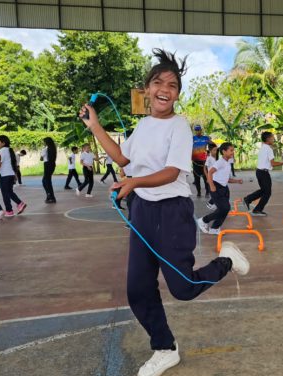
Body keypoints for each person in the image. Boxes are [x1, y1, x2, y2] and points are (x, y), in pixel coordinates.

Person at [79, 48, 250, 376]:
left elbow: (173, 171)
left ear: (177, 94)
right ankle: (165, 347)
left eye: (172, 85)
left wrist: (132, 182)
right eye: (158, 82)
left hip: (172, 211)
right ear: (146, 89)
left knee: (183, 287)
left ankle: (226, 259)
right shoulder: (142, 126)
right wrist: (95, 126)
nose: (164, 89)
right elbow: (123, 159)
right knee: (137, 290)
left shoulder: (180, 126)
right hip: (142, 211)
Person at [198, 142, 243, 234]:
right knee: (224, 208)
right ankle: (203, 220)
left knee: (224, 209)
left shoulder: (227, 162)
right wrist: (212, 186)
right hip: (216, 187)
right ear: (224, 151)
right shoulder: (220, 162)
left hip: (224, 188)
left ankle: (214, 228)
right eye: (231, 150)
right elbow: (210, 172)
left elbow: (226, 178)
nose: (232, 152)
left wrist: (237, 181)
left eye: (233, 150)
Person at [244, 131, 283, 216]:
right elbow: (273, 163)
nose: (274, 139)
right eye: (272, 137)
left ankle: (248, 199)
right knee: (267, 192)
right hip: (263, 173)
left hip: (259, 172)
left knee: (264, 190)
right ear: (268, 139)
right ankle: (257, 209)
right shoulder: (268, 149)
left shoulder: (263, 147)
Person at [0, 135, 26, 217]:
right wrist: (15, 175)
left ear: (3, 143)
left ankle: (10, 210)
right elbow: (13, 164)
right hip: (10, 174)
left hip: (5, 175)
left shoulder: (2, 151)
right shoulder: (9, 150)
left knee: (5, 193)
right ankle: (16, 206)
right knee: (9, 192)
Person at [191, 125, 211, 197]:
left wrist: (210, 152)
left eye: (198, 130)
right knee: (196, 178)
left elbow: (213, 145)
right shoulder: (192, 138)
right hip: (195, 162)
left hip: (204, 162)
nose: (197, 131)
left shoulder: (206, 138)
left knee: (206, 177)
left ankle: (207, 192)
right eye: (196, 130)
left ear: (201, 130)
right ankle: (198, 192)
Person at [41, 137, 57, 203]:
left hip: (47, 164)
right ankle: (49, 196)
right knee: (46, 181)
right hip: (52, 164)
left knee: (46, 181)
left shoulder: (45, 149)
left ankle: (51, 197)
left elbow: (41, 158)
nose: (43, 143)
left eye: (44, 142)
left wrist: (42, 156)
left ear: (46, 142)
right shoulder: (53, 148)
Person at [204, 143, 218, 211]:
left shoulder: (214, 158)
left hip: (215, 178)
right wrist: (207, 177)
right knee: (215, 191)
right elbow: (205, 168)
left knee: (217, 191)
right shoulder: (209, 158)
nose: (216, 152)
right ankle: (210, 203)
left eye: (216, 150)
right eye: (214, 150)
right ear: (210, 150)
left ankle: (213, 203)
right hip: (211, 178)